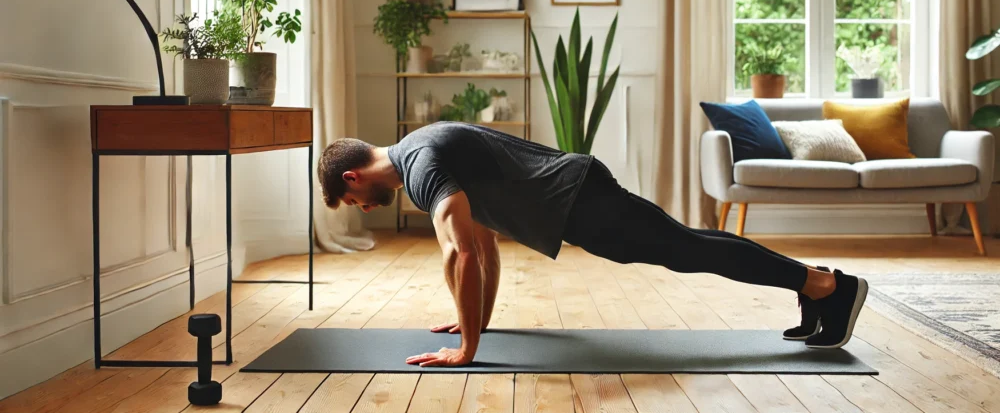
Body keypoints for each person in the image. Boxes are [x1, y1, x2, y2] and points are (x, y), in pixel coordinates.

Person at [317, 122, 869, 368]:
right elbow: (484, 247)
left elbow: (458, 251)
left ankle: (827, 286)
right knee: (688, 245)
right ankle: (817, 283)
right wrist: (473, 324)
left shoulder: (420, 167)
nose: (365, 208)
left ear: (351, 179)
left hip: (577, 200)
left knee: (689, 250)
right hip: (577, 195)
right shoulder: (421, 147)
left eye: (355, 202)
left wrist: (466, 351)